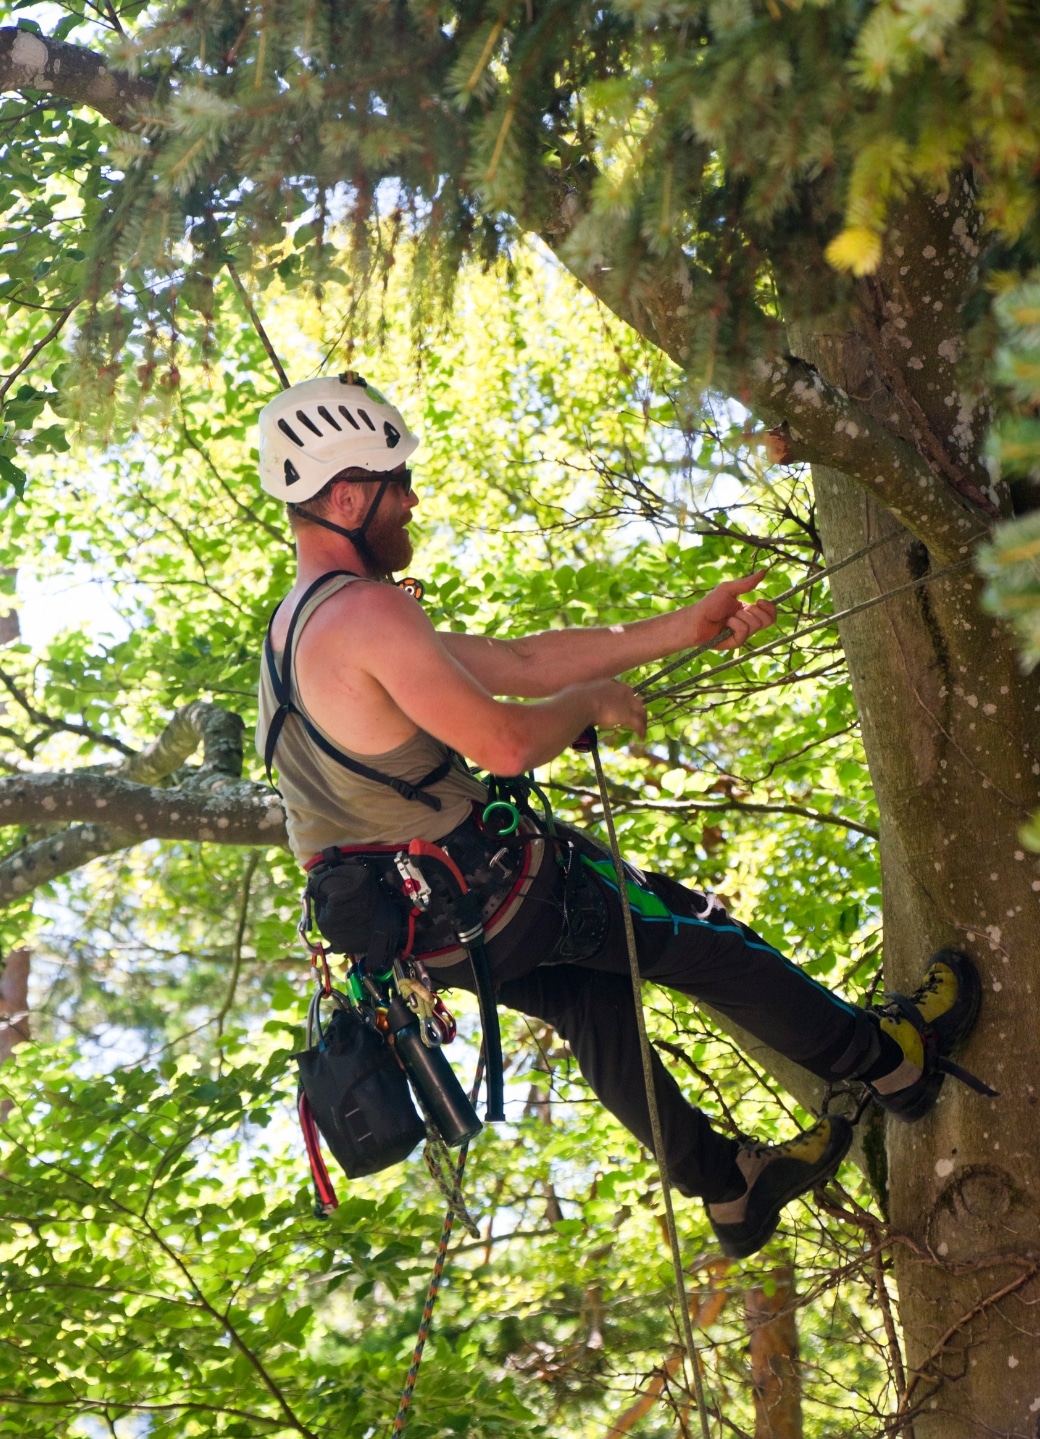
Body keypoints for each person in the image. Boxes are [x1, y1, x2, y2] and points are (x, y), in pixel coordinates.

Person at [256, 376, 982, 1259]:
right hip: (503, 897)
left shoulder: (294, 635)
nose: (411, 499)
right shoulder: (365, 612)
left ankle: (727, 1190)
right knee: (703, 942)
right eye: (395, 481)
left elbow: (521, 657)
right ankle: (891, 1059)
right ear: (344, 496)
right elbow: (509, 742)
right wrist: (585, 704)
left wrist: (688, 626)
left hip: (432, 941)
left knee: (596, 1007)